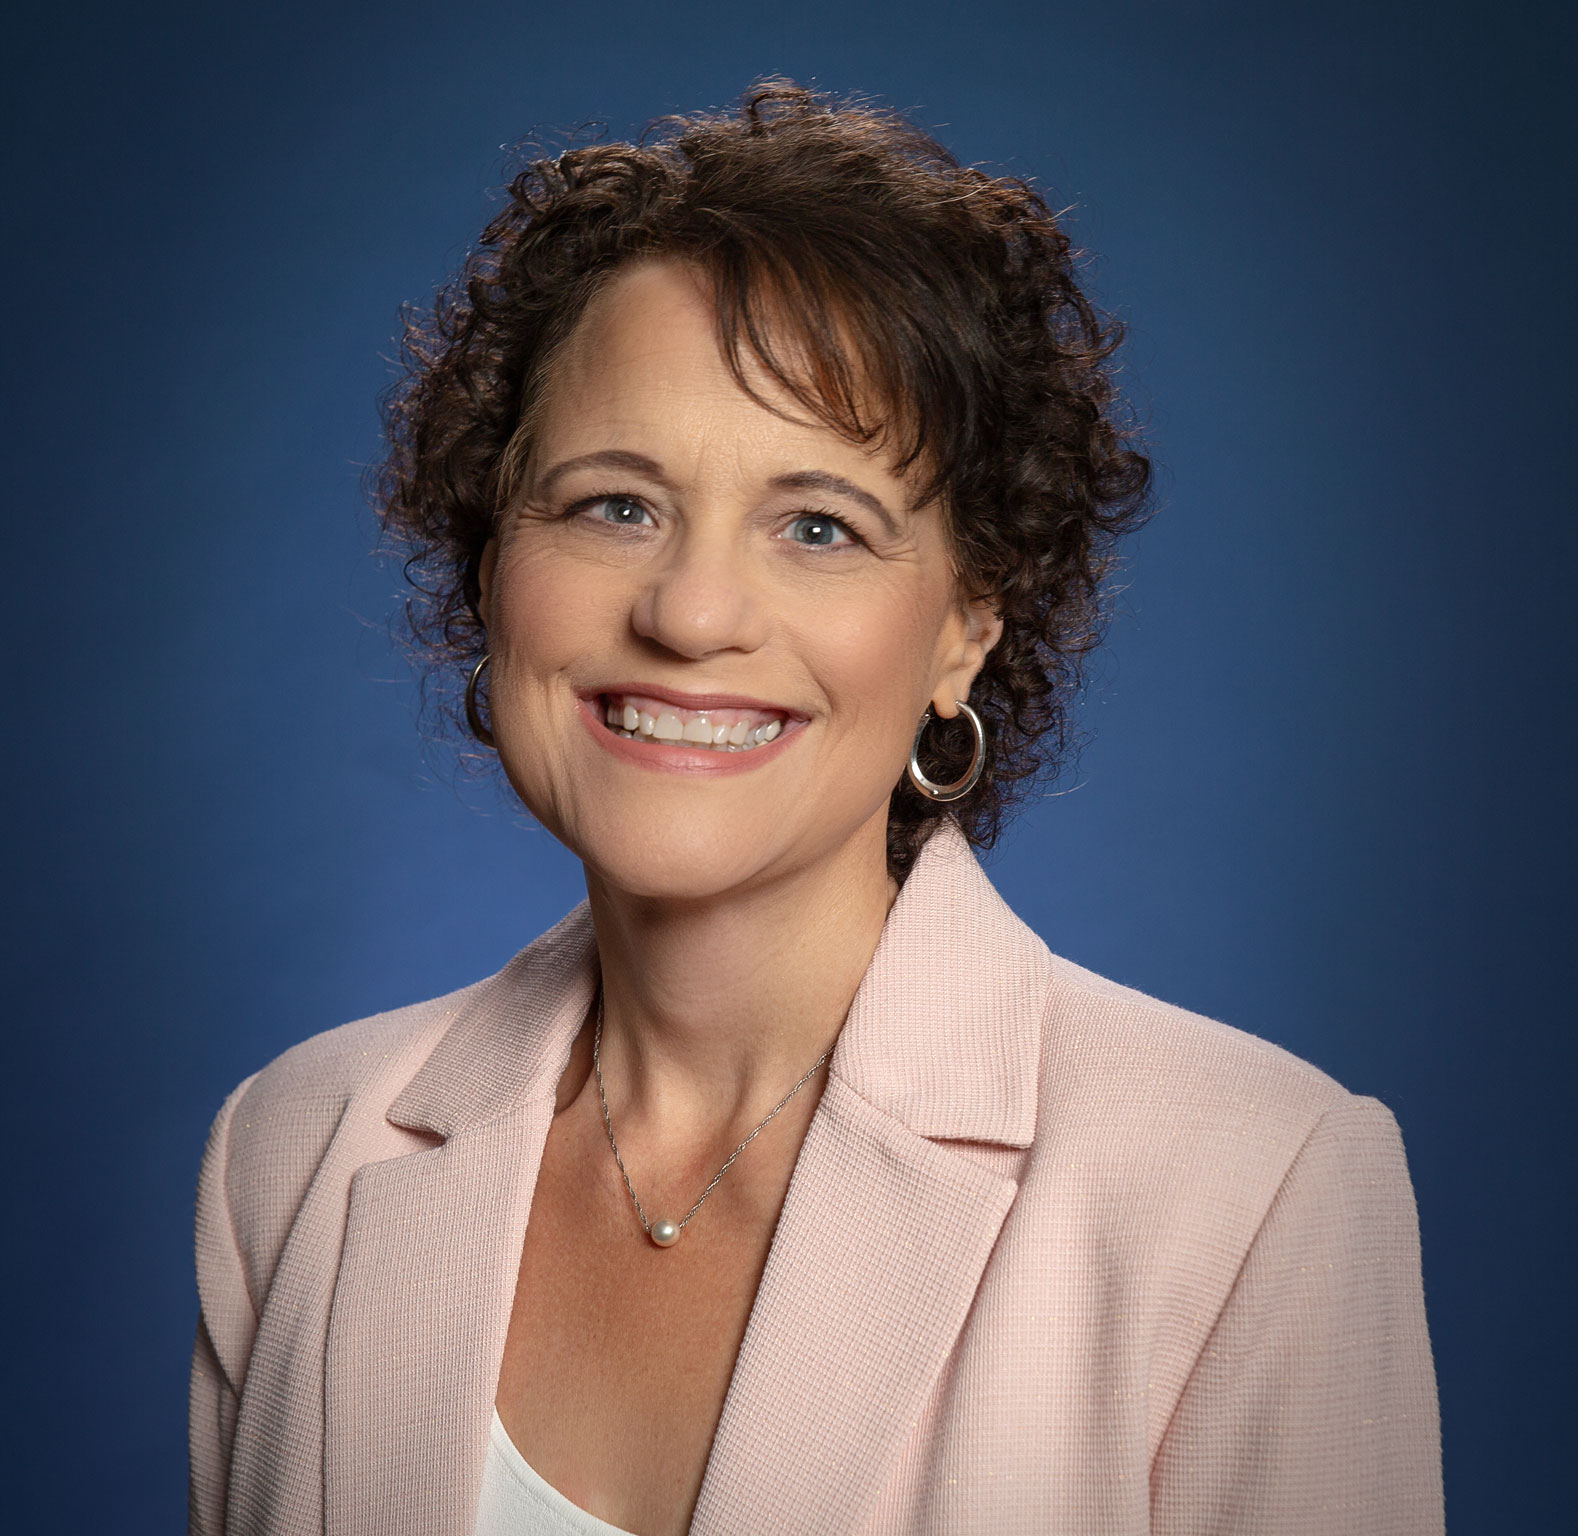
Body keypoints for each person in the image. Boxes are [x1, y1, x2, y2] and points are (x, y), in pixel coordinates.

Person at [188, 81, 1443, 1536]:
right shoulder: (296, 1152)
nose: (694, 611)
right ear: (489, 555)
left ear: (967, 622)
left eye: (817, 526)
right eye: (613, 505)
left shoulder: (1249, 1192)